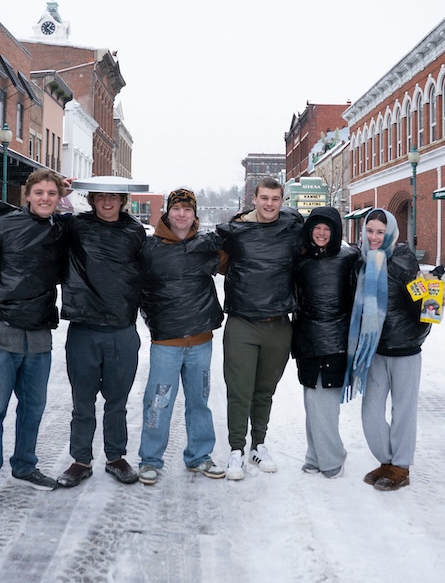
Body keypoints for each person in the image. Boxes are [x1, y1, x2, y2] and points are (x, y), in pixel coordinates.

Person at [0, 169, 70, 515]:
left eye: (51, 194)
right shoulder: (2, 226)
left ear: (59, 199)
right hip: (1, 333)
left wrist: (70, 188)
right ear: (27, 195)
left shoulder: (58, 231)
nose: (44, 198)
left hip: (38, 334)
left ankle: (24, 465)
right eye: (38, 192)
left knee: (33, 408)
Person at [57, 188, 146, 488]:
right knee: (82, 401)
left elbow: (149, 275)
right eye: (101, 197)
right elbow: (38, 219)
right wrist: (60, 191)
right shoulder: (75, 226)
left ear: (123, 200)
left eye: (114, 197)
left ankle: (116, 457)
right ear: (92, 200)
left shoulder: (135, 232)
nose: (107, 202)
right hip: (84, 326)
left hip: (122, 328)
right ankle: (81, 460)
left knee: (116, 401)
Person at [136, 189, 226, 484]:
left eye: (188, 210)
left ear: (195, 214)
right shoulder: (150, 248)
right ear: (168, 212)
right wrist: (153, 321)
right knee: (158, 401)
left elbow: (238, 252)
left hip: (200, 340)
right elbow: (137, 288)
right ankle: (150, 459)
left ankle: (200, 455)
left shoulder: (206, 246)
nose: (182, 214)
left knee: (199, 400)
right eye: (177, 209)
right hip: (166, 342)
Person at [345, 208, 439, 492]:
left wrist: (420, 329)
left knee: (403, 410)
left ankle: (401, 465)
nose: (374, 237)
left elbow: (425, 306)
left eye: (380, 232)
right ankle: (388, 461)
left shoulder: (402, 261)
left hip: (405, 349)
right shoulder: (360, 262)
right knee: (370, 412)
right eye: (370, 231)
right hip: (373, 349)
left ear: (391, 233)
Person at [216, 177, 304, 480]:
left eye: (275, 199)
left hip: (278, 324)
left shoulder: (293, 230)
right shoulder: (235, 233)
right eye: (264, 198)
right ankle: (236, 449)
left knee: (265, 391)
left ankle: (259, 444)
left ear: (282, 201)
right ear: (254, 199)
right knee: (240, 391)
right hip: (243, 322)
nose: (269, 204)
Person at [292, 206, 361, 479]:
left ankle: (332, 458)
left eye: (327, 228)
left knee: (325, 404)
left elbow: (380, 271)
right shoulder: (301, 261)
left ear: (335, 232)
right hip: (307, 339)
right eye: (316, 228)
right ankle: (314, 455)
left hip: (336, 340)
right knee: (312, 400)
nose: (321, 233)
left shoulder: (349, 258)